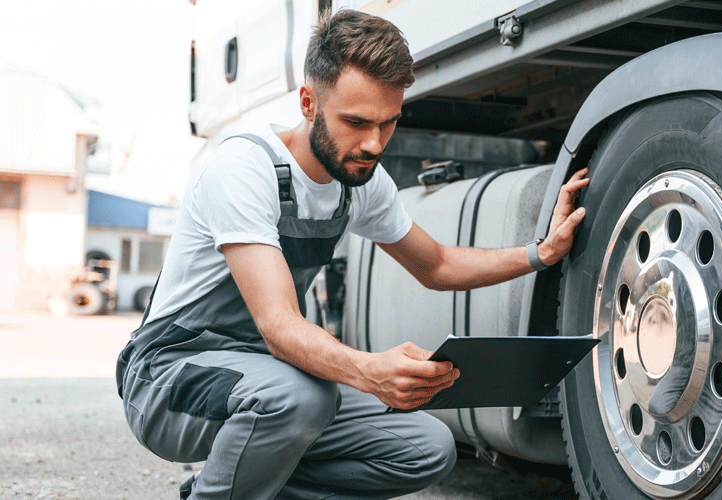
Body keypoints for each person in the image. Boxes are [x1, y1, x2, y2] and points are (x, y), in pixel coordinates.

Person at [115, 8, 588, 500]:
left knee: (427, 448)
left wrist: (540, 253)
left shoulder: (359, 182)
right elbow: (279, 327)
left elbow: (438, 264)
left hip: (261, 381)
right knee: (299, 397)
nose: (373, 143)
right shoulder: (242, 170)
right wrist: (370, 370)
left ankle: (238, 481)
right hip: (169, 377)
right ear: (307, 102)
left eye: (388, 124)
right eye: (356, 122)